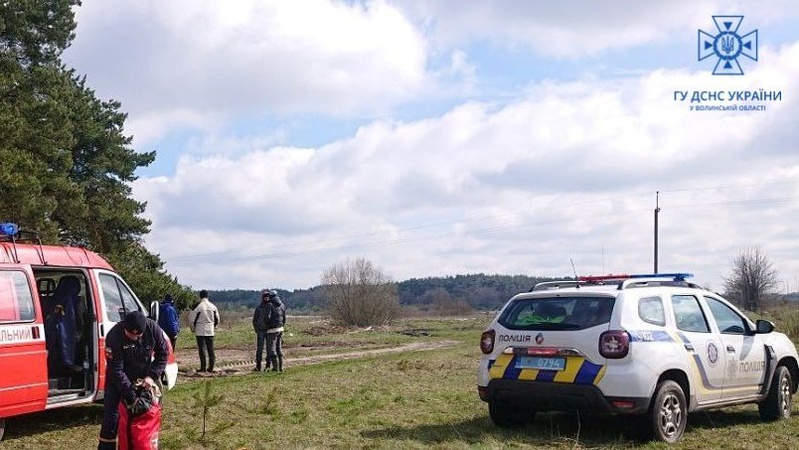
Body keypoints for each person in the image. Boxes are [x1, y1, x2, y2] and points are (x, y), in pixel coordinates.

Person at [97, 310, 168, 450]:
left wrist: (151, 376)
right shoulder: (114, 336)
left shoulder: (153, 329)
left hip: (143, 381)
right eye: (131, 335)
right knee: (111, 421)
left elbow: (163, 354)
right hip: (117, 382)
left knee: (143, 421)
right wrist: (131, 396)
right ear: (124, 327)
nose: (135, 338)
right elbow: (117, 370)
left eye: (138, 335)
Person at [189, 290, 220, 373]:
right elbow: (217, 319)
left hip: (200, 331)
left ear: (200, 296)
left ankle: (203, 367)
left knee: (202, 350)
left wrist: (193, 329)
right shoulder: (213, 307)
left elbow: (192, 320)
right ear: (207, 296)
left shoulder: (198, 307)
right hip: (210, 330)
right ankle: (211, 367)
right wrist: (214, 327)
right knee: (211, 349)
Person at [264, 290, 286, 372]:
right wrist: (282, 326)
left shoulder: (270, 305)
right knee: (279, 348)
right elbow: (284, 318)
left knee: (271, 349)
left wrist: (267, 326)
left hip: (272, 330)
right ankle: (281, 367)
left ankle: (275, 368)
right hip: (280, 329)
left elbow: (267, 317)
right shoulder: (282, 305)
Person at [252, 291, 272, 371]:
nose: (266, 298)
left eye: (268, 297)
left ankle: (268, 366)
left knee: (269, 349)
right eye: (265, 297)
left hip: (269, 331)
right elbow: (254, 320)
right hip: (260, 331)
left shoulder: (271, 307)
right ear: (263, 298)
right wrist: (256, 329)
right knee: (259, 349)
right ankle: (258, 366)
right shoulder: (259, 308)